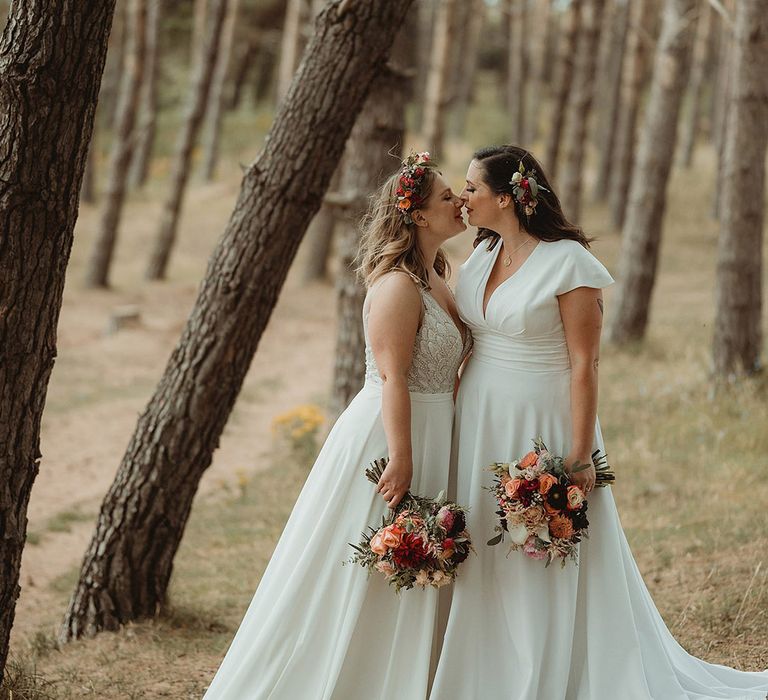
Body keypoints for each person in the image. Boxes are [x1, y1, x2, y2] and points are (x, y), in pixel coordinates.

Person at [430, 144, 768, 699]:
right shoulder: (482, 253)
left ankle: (553, 668)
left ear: (509, 196)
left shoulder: (569, 262)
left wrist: (580, 453)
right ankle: (486, 668)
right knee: (488, 543)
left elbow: (585, 363)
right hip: (479, 416)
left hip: (543, 419)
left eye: (472, 188)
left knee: (540, 548)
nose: (464, 198)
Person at [202, 153, 471, 699]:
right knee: (368, 560)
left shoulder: (440, 276)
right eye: (447, 197)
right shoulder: (396, 286)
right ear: (417, 215)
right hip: (391, 437)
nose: (460, 202)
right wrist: (403, 456)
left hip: (435, 431)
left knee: (419, 561)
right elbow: (394, 376)